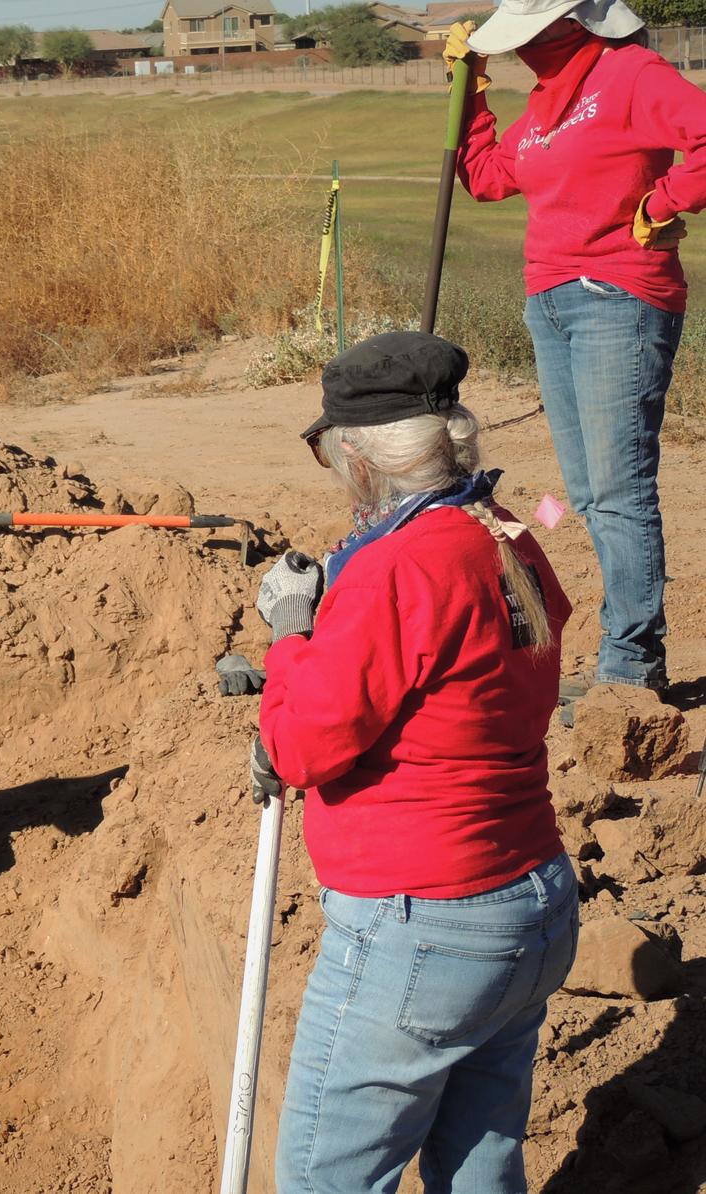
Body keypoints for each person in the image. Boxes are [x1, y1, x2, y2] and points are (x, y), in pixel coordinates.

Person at [252, 332, 578, 1193]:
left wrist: (292, 636)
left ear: (360, 458)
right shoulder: (504, 530)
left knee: (329, 1177)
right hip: (530, 903)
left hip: (425, 925)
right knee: (481, 1159)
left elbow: (300, 745)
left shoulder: (400, 566)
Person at [447, 0, 706, 697]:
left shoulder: (631, 74)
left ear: (569, 25)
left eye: (528, 34)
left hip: (618, 297)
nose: (521, 48)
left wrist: (664, 202)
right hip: (550, 303)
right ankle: (624, 654)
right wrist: (469, 93)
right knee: (590, 493)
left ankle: (630, 666)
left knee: (619, 493)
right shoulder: (539, 107)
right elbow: (486, 176)